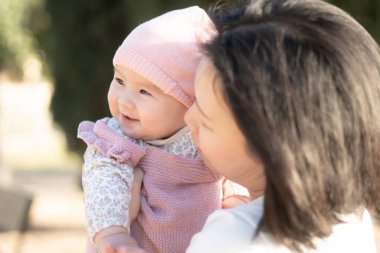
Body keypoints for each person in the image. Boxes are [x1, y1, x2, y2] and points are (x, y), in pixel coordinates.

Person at [112, 0, 380, 252]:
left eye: (204, 116)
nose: (188, 119)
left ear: (268, 141)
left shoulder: (234, 237)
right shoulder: (353, 218)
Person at [77, 6, 226, 253]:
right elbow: (104, 181)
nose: (124, 100)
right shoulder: (117, 139)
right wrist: (113, 233)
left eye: (145, 92)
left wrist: (237, 199)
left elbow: (233, 166)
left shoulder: (206, 137)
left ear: (189, 102)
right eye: (120, 81)